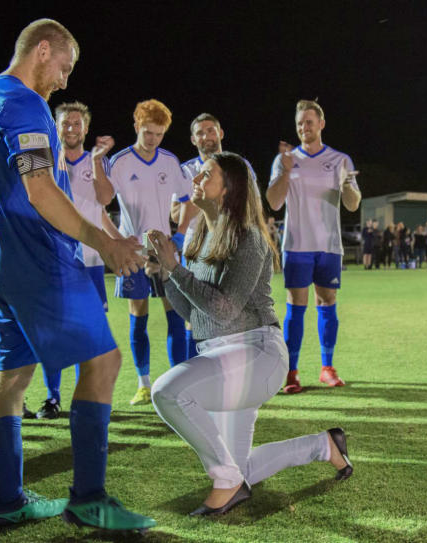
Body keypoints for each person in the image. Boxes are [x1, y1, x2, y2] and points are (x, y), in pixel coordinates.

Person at [0, 18, 155, 529]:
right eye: (65, 68)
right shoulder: (21, 100)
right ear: (43, 50)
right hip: (36, 261)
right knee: (105, 363)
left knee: (12, 376)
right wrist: (107, 243)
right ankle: (89, 500)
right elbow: (40, 191)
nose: (65, 81)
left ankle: (7, 500)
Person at [145, 152, 353, 516]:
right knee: (242, 470)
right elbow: (192, 312)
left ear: (229, 189)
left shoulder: (249, 238)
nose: (196, 179)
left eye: (206, 174)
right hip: (219, 354)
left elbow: (224, 308)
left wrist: (175, 267)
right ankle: (326, 446)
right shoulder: (198, 237)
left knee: (167, 391)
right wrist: (163, 272)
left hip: (257, 354)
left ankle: (225, 481)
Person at [93, 99, 193, 405]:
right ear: (137, 126)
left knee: (175, 314)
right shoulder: (121, 162)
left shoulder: (170, 162)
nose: (153, 139)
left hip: (164, 252)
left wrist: (178, 236)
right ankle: (144, 384)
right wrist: (117, 241)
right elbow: (99, 205)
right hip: (134, 253)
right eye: (148, 132)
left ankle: (178, 383)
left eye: (159, 134)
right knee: (139, 317)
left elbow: (188, 200)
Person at [29, 101, 123, 420]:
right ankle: (52, 397)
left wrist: (96, 160)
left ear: (86, 128)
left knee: (91, 328)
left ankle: (92, 397)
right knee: (52, 328)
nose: (71, 129)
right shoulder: (42, 159)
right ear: (56, 127)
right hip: (52, 256)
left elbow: (106, 199)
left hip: (90, 258)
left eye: (76, 124)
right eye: (65, 124)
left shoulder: (97, 161)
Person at [266, 100, 361, 393]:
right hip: (297, 244)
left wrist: (346, 185)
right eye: (299, 124)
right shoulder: (285, 159)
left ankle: (327, 368)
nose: (304, 128)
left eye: (309, 122)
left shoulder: (340, 160)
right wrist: (284, 171)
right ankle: (291, 373)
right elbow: (273, 202)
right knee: (296, 305)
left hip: (329, 245)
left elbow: (353, 204)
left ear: (321, 123)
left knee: (327, 301)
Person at [177, 113, 259, 359]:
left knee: (236, 312)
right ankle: (199, 375)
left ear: (220, 133)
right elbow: (174, 213)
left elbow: (252, 204)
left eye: (211, 130)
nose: (206, 136)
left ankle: (241, 377)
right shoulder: (185, 171)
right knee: (196, 316)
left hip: (233, 245)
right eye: (200, 133)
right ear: (193, 139)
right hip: (196, 250)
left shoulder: (238, 166)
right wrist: (201, 194)